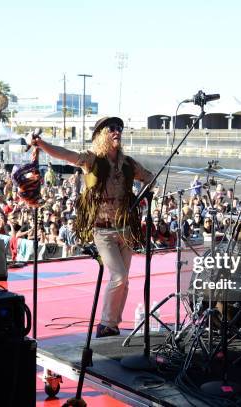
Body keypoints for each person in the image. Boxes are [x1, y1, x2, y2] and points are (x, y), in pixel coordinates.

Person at [27, 117, 153, 337]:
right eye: (112, 129)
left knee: (124, 281)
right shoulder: (92, 160)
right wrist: (43, 144)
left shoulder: (128, 164)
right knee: (119, 276)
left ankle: (113, 325)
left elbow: (150, 178)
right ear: (101, 134)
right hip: (102, 230)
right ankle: (105, 323)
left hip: (125, 229)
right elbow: (66, 155)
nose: (117, 132)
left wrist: (140, 197)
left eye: (119, 129)